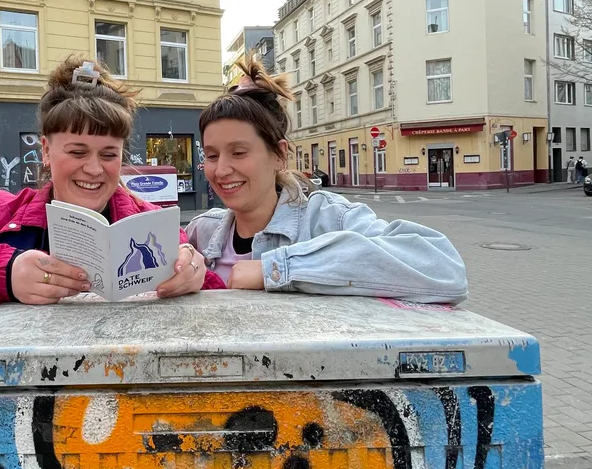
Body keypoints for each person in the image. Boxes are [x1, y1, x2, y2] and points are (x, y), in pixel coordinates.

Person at [0, 57, 224, 342]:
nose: (95, 169)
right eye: (77, 151)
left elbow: (217, 316)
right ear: (46, 151)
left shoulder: (151, 223)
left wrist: (195, 277)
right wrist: (3, 272)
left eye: (109, 154)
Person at [185, 58, 468, 304]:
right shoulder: (203, 232)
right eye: (211, 156)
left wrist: (277, 269)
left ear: (279, 155)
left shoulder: (328, 220)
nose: (221, 170)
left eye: (238, 152)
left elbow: (444, 268)